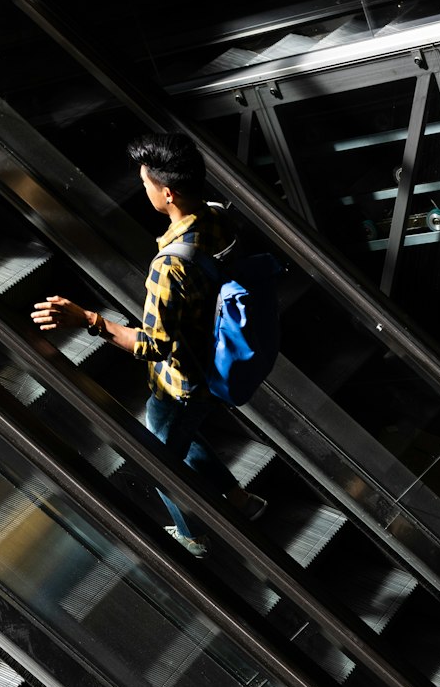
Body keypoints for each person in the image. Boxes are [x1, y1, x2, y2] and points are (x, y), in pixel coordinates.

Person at [31, 132, 266, 558]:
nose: (144, 188)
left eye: (146, 182)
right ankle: (241, 502)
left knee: (158, 460)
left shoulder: (170, 265)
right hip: (212, 360)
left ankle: (191, 537)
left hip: (181, 381)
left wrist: (89, 319)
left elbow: (153, 346)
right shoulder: (217, 219)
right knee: (176, 433)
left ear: (168, 192)